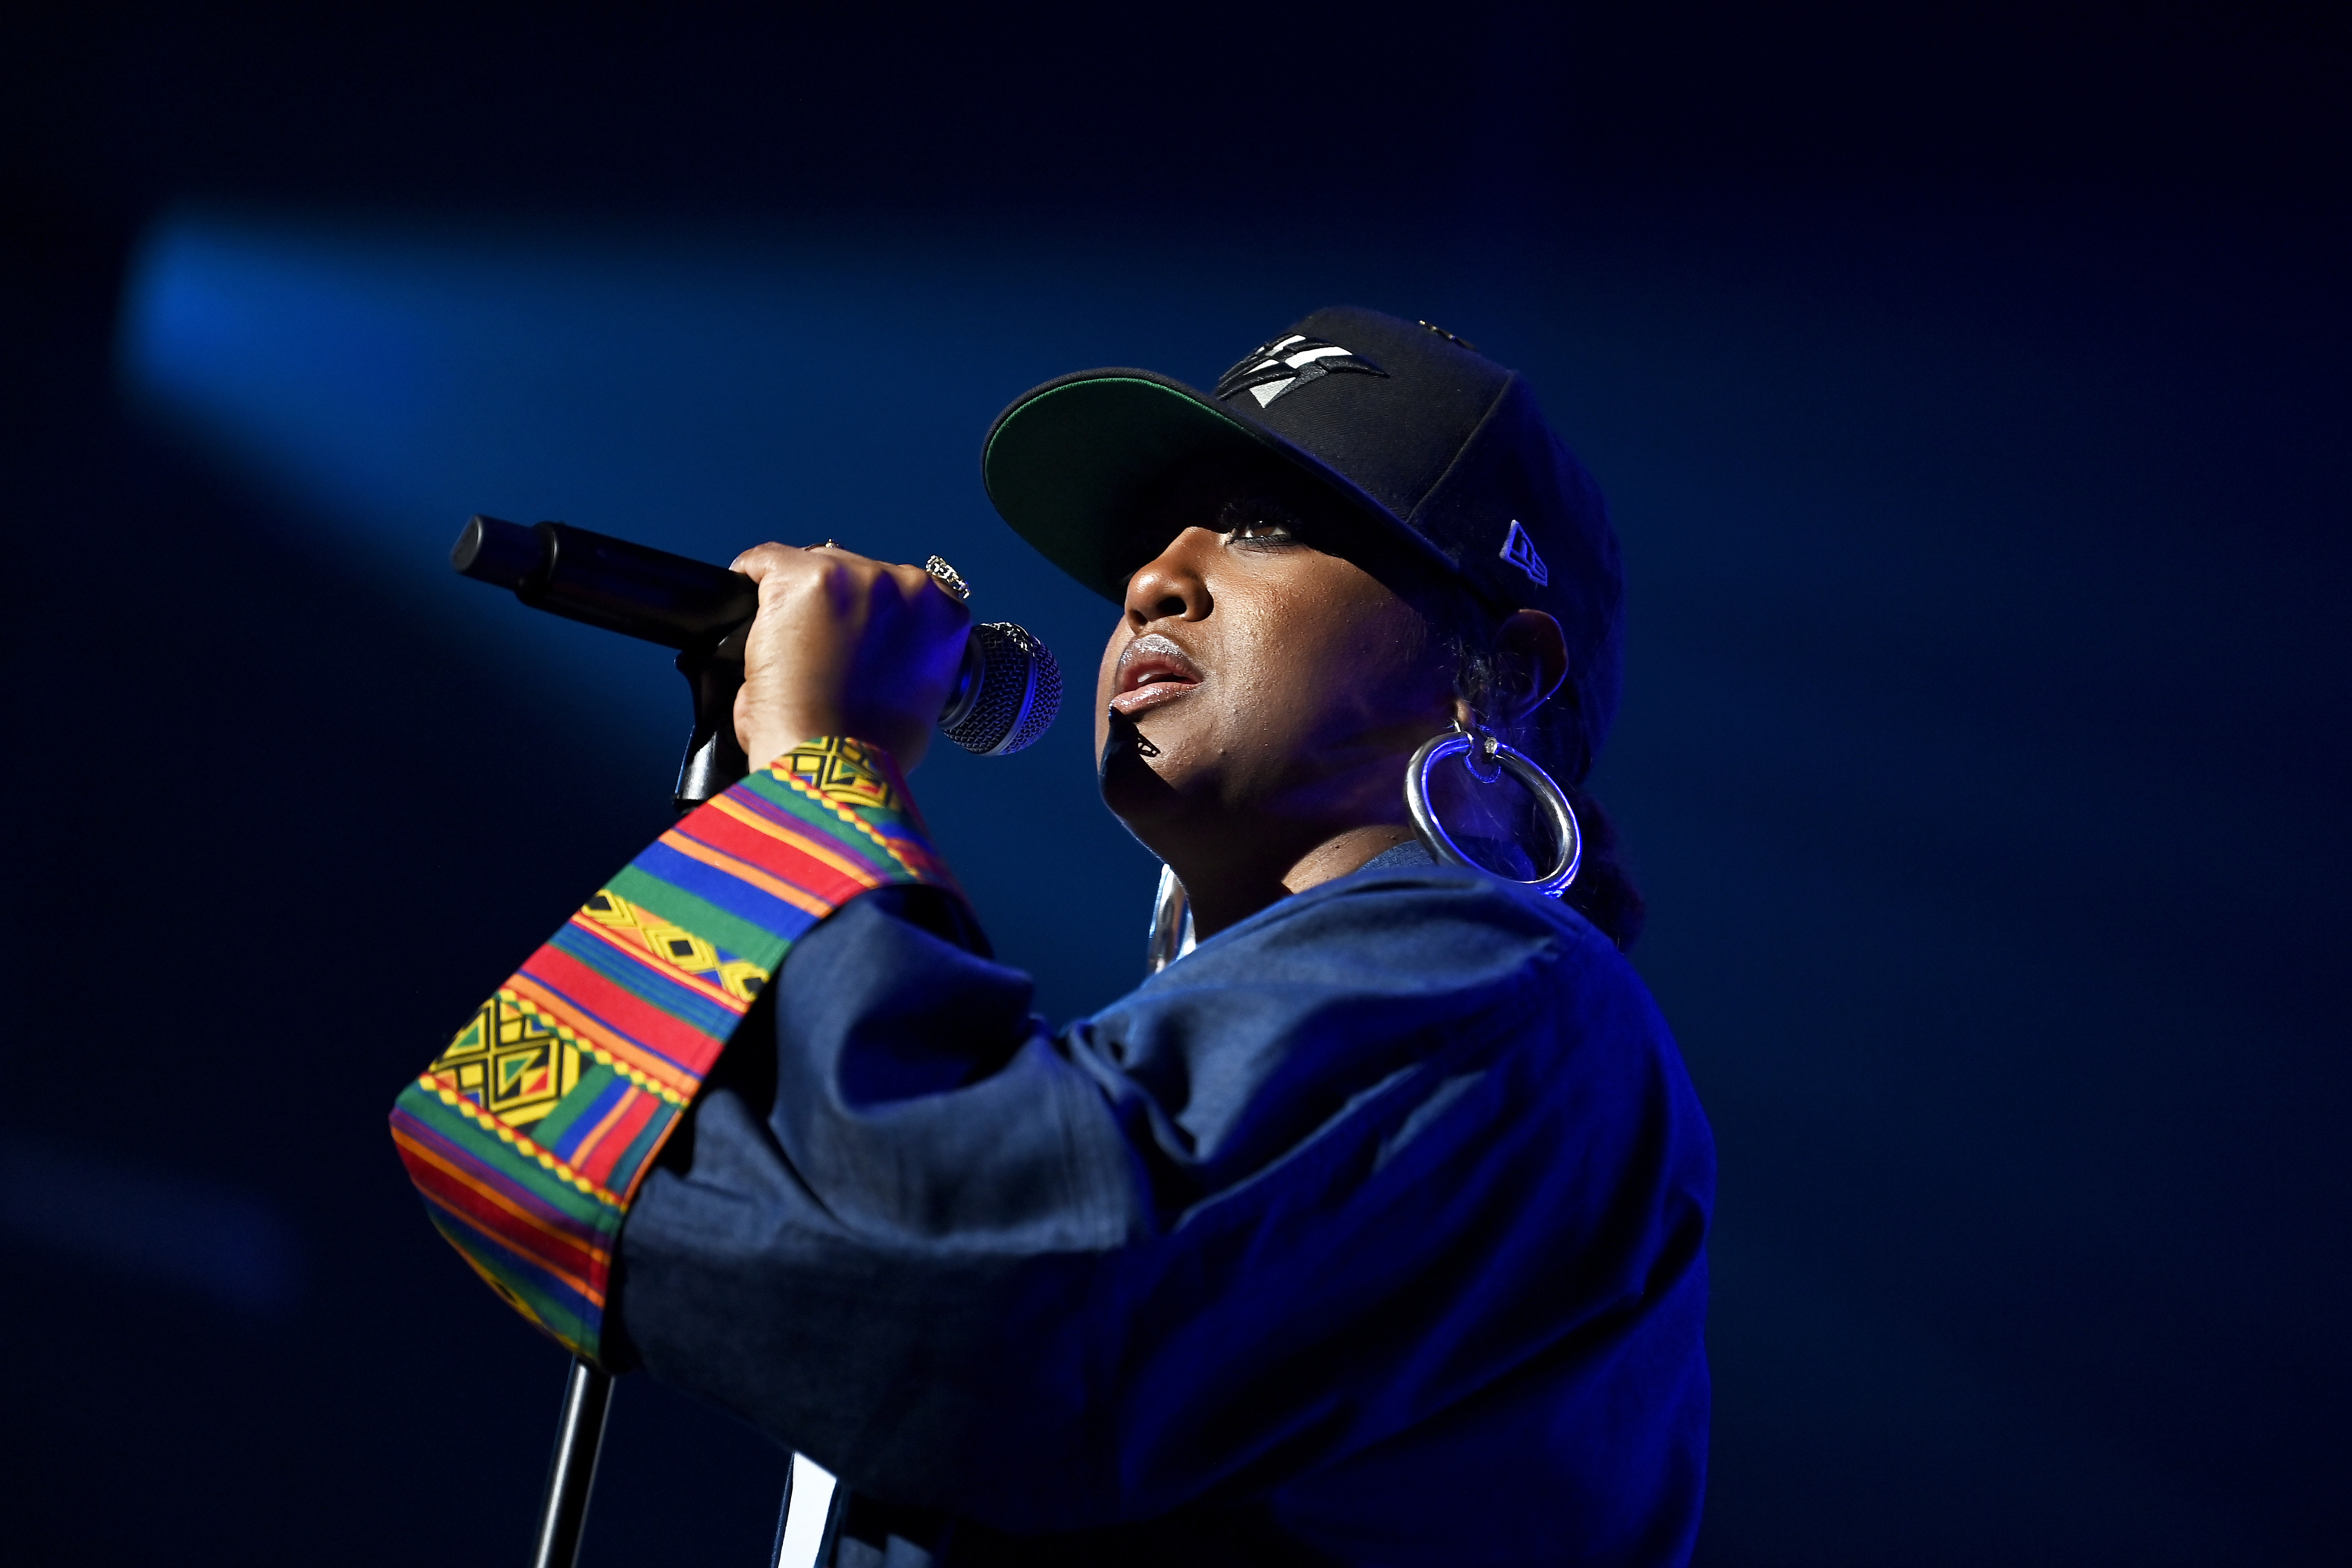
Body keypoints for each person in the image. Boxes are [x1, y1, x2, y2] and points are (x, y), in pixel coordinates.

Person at [390, 306, 1714, 1566]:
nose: (1151, 580)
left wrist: (824, 771)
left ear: (1510, 669)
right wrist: (788, 813)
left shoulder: (1512, 1004)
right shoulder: (1191, 1068)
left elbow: (968, 1294)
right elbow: (565, 1162)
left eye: (1260, 528)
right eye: (1153, 540)